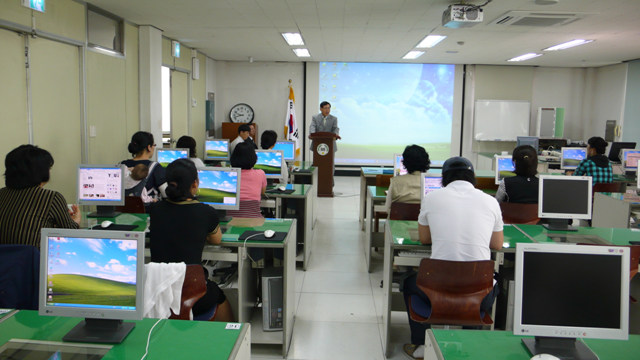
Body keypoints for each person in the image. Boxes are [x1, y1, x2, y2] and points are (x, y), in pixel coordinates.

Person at [402, 157, 504, 360]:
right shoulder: (490, 201)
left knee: (408, 283)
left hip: (437, 292)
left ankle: (421, 345)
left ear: (444, 178)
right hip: (479, 297)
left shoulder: (432, 198)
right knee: (493, 283)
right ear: (472, 177)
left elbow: (424, 239)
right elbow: (497, 245)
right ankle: (473, 343)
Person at [148, 159, 234, 321]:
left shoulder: (156, 210)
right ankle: (233, 337)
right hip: (193, 295)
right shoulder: (205, 212)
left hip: (160, 292)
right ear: (195, 184)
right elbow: (216, 240)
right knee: (218, 294)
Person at [0, 145, 80, 249]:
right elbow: (71, 234)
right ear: (40, 172)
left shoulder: (2, 194)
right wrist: (76, 221)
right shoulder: (52, 198)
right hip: (34, 263)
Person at [121, 131, 167, 203]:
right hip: (147, 211)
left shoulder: (122, 165)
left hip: (122, 211)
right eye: (153, 145)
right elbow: (166, 194)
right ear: (149, 147)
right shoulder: (155, 167)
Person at [385, 145, 430, 211]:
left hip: (399, 220)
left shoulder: (395, 181)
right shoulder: (432, 182)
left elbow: (387, 208)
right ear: (426, 161)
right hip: (424, 220)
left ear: (405, 162)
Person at [227, 142, 266, 218]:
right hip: (254, 221)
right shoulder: (261, 173)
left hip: (230, 221)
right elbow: (263, 192)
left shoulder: (228, 175)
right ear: (254, 158)